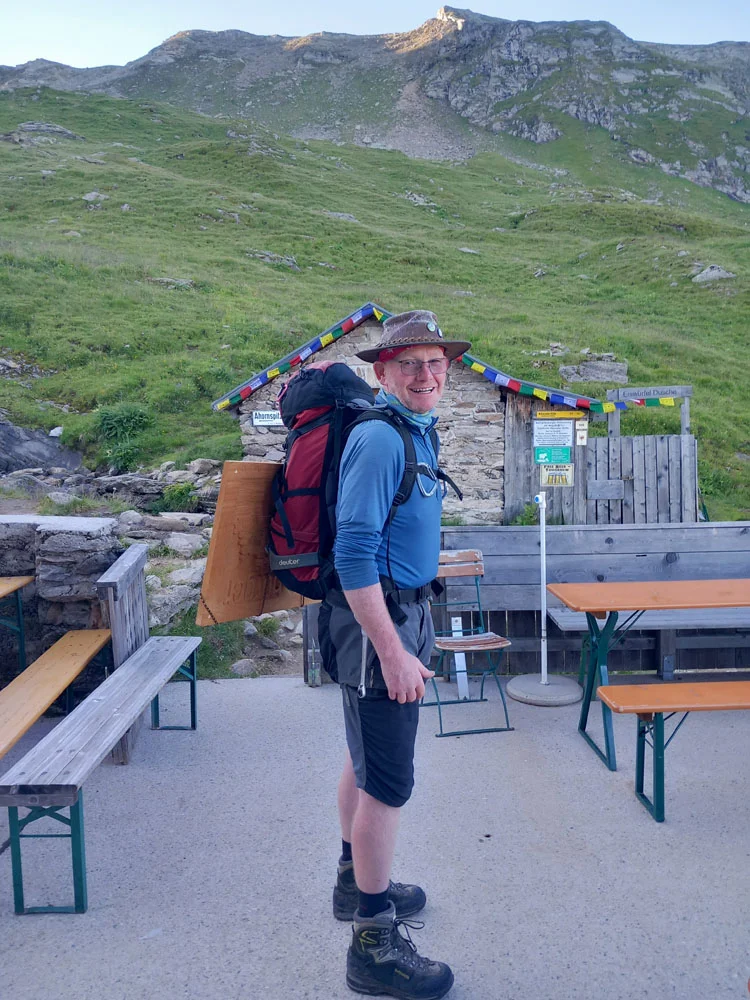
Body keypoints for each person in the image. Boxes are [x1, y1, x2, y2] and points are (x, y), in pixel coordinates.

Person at [318, 310, 470, 1000]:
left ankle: (356, 883)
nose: (426, 375)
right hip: (377, 623)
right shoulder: (382, 438)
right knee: (389, 781)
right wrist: (393, 652)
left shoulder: (414, 431)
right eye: (409, 363)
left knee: (365, 758)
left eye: (436, 363)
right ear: (382, 372)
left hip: (401, 613)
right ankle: (372, 946)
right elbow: (353, 553)